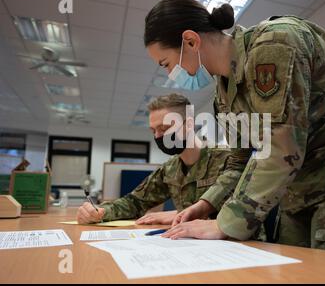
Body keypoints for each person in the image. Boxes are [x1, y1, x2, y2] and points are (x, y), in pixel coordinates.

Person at [144, 0, 325, 259]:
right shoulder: (223, 93)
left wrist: (225, 224)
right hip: (301, 191)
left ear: (190, 41)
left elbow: (281, 148)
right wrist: (206, 205)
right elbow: (238, 162)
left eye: (166, 64)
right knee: (289, 274)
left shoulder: (274, 44)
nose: (171, 75)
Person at [76, 93, 243, 228]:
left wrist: (178, 215)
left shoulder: (229, 159)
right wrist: (100, 212)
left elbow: (240, 214)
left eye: (164, 129)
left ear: (189, 124)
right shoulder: (170, 169)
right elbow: (134, 202)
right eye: (153, 131)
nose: (158, 136)